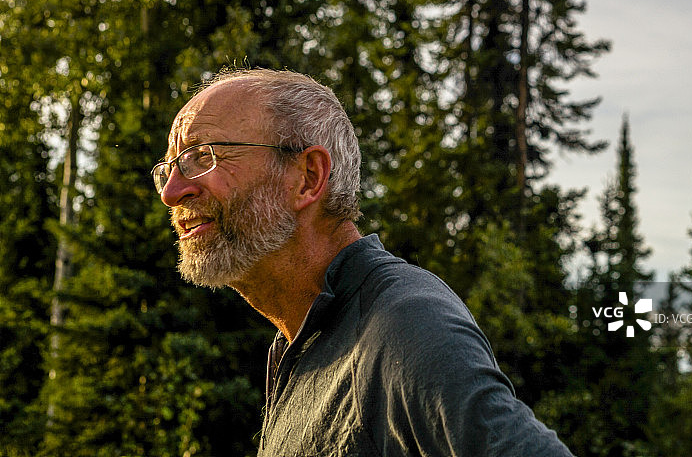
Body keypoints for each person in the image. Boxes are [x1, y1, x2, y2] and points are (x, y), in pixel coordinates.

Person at [153, 67, 576, 457]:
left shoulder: (404, 323)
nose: (172, 192)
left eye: (203, 155)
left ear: (308, 177)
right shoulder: (300, 341)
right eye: (169, 169)